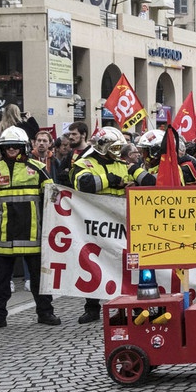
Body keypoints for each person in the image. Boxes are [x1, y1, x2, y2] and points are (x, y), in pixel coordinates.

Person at [0, 127, 60, 331]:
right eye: (8, 146)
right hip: (4, 234)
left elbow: (51, 196)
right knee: (1, 281)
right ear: (2, 148)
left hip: (32, 232)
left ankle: (45, 312)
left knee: (38, 279)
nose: (12, 149)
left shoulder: (38, 168)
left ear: (24, 147)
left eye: (16, 146)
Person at [71, 126, 147, 323]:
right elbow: (82, 184)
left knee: (124, 266)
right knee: (93, 264)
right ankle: (92, 308)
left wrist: (136, 183)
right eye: (114, 147)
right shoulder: (83, 163)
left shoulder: (123, 164)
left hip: (119, 225)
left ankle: (130, 306)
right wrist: (109, 180)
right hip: (94, 224)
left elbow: (149, 181)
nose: (117, 152)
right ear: (103, 147)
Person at [52, 121, 89, 186]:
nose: (70, 137)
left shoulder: (92, 153)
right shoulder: (70, 154)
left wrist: (69, 172)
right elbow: (59, 174)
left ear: (83, 135)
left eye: (74, 134)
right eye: (70, 134)